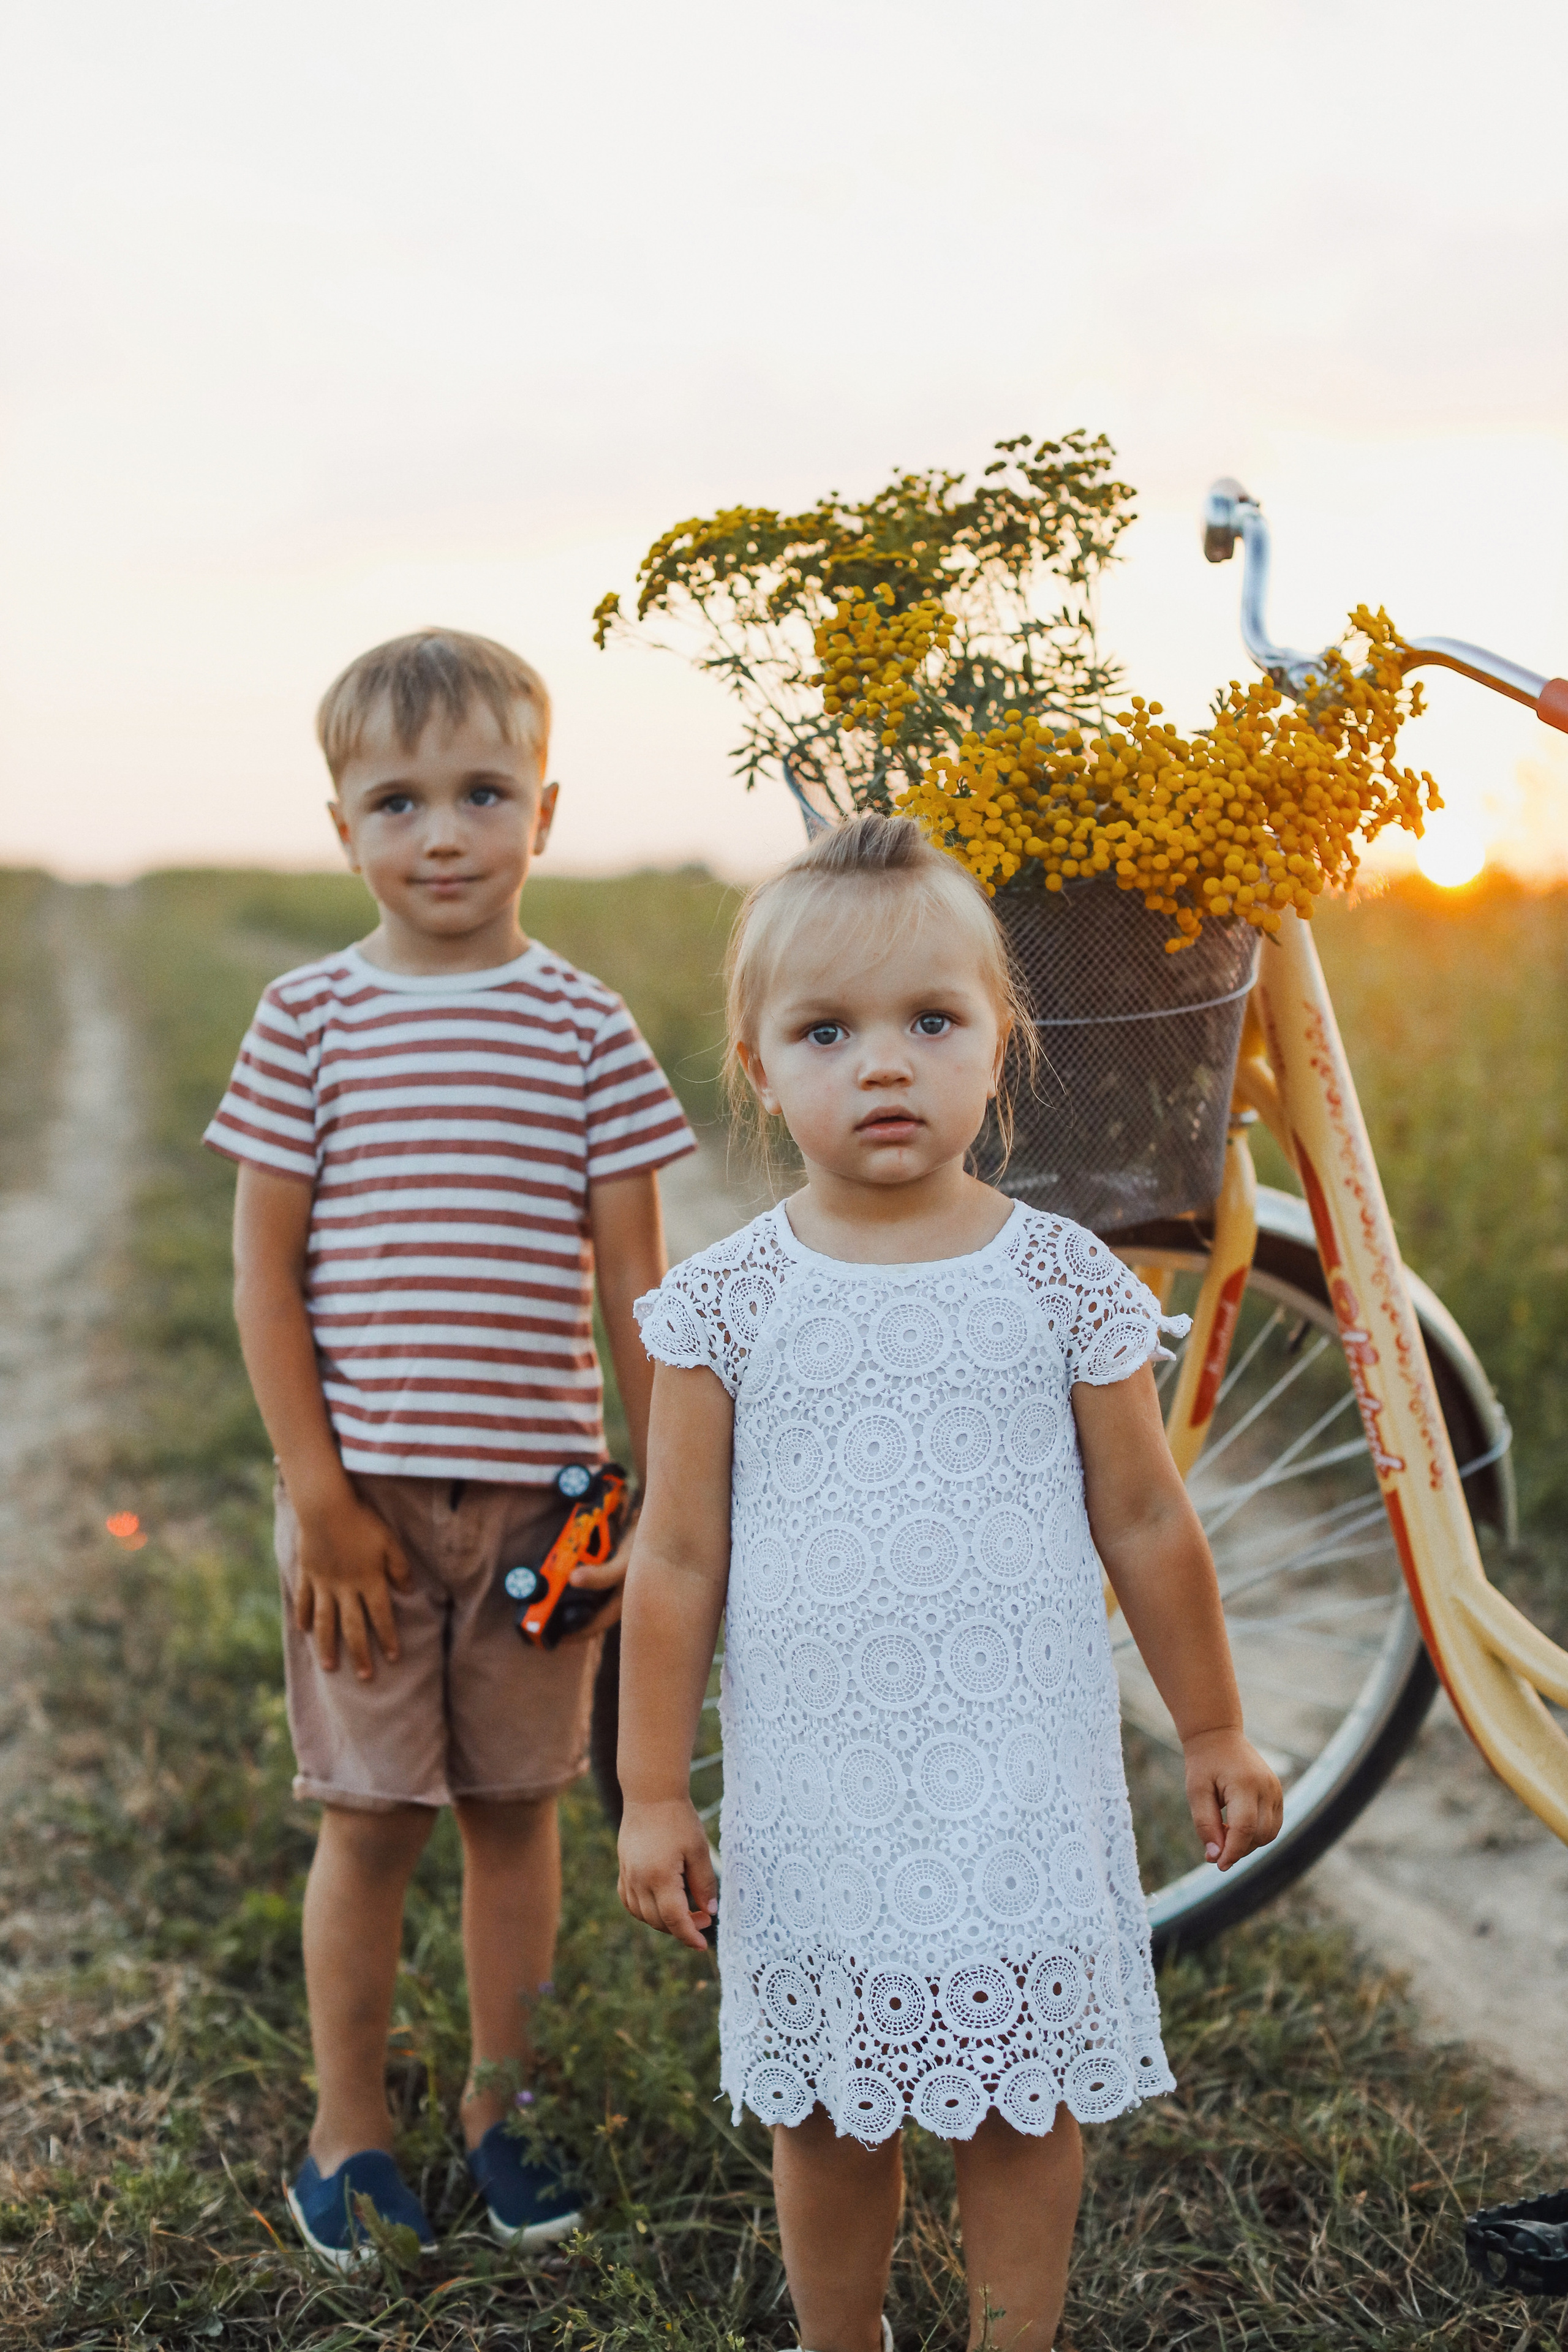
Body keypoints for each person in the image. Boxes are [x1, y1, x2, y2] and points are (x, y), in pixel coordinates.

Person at [616, 813, 1283, 2352]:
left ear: (1003, 1040)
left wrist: (1208, 1730)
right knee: (833, 2115)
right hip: (819, 1788)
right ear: (759, 1061)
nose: (884, 1066)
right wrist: (654, 1790)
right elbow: (676, 1558)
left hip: (1017, 1778)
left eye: (932, 1022)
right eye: (827, 1032)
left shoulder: (1056, 1278)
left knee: (1023, 2095)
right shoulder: (726, 1304)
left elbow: (1146, 1521)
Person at [205, 629, 695, 2268]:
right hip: (366, 1511)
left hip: (549, 1507)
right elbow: (261, 1272)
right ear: (341, 824)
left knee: (516, 1810)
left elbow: (639, 1288)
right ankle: (351, 2130)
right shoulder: (310, 1021)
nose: (442, 835)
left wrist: (658, 1494)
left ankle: (505, 2106)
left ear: (543, 814)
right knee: (371, 1819)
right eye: (398, 801)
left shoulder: (583, 1028)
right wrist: (317, 1497)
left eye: (482, 793)